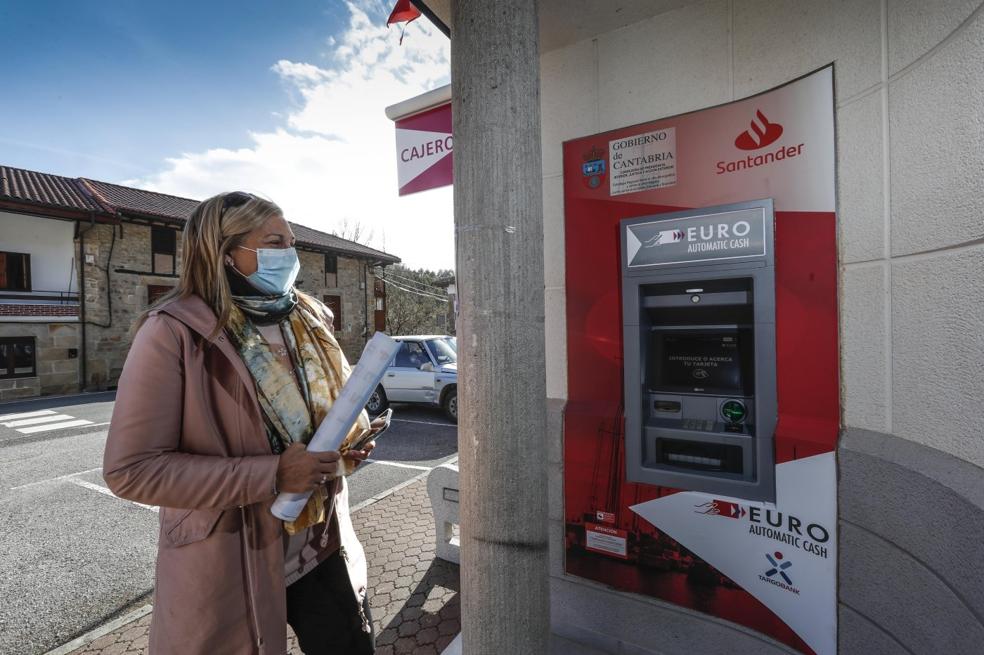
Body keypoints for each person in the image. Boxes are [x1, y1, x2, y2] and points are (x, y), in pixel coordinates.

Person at [103, 191, 382, 655]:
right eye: (275, 242)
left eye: (292, 242)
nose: (290, 255)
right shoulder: (172, 331)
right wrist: (272, 474)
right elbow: (131, 470)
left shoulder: (308, 317)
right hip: (234, 558)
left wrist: (346, 446)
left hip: (321, 540)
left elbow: (325, 411)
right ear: (225, 253)